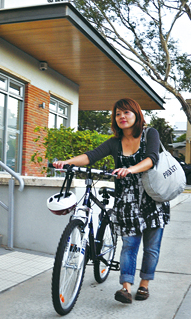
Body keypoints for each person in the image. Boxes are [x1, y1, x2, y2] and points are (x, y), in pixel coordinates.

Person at [53, 98, 170, 304]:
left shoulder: (150, 133)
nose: (122, 117)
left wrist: (131, 169)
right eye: (118, 114)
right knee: (129, 246)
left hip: (152, 199)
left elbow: (152, 158)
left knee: (151, 247)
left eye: (126, 113)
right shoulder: (115, 142)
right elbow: (91, 156)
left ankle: (144, 284)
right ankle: (126, 287)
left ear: (136, 114)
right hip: (127, 201)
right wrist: (66, 162)